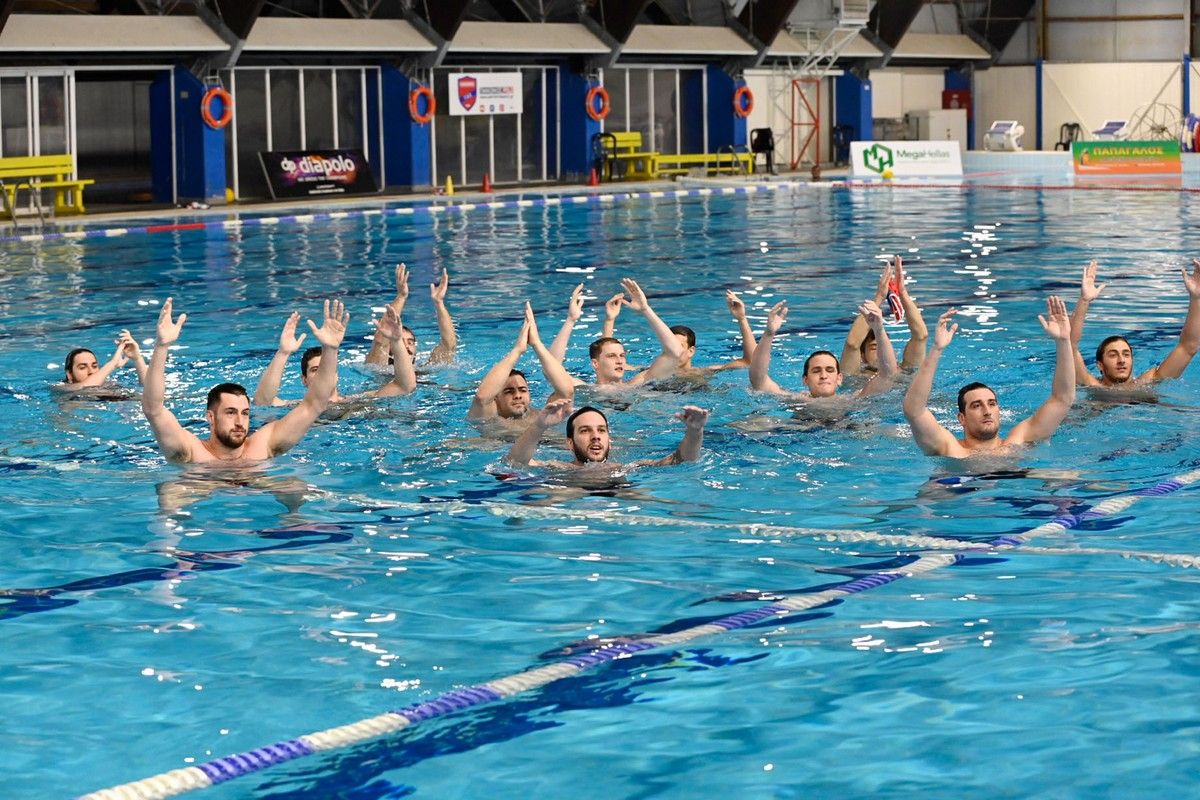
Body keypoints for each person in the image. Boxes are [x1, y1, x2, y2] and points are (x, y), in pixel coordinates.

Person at [141, 297, 348, 464]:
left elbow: (314, 404)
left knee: (294, 486)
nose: (240, 422)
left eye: (245, 413)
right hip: (199, 486)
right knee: (173, 494)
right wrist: (161, 346)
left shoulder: (263, 444)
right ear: (211, 417)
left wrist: (331, 349)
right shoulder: (191, 451)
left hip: (256, 486)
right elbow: (153, 410)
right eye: (230, 412)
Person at [903, 297, 1074, 458]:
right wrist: (936, 349)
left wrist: (1064, 341)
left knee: (1065, 475)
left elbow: (1062, 399)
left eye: (992, 403)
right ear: (962, 418)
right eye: (976, 406)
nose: (987, 411)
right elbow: (914, 410)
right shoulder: (951, 448)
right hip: (960, 480)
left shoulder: (1018, 442)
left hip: (1016, 477)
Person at [1070, 259, 1200, 388]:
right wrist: (1084, 301)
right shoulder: (1092, 385)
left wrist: (1196, 298)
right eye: (1113, 355)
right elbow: (1069, 347)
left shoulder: (1146, 384)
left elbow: (1189, 347)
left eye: (1126, 354)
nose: (1121, 360)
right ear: (1100, 365)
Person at [254, 305, 415, 406]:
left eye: (327, 368)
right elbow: (263, 402)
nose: (323, 373)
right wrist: (283, 353)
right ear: (304, 380)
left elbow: (405, 386)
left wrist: (396, 341)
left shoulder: (357, 401)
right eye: (315, 370)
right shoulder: (297, 407)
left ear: (337, 375)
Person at [751, 299, 898, 400]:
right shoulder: (796, 400)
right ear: (805, 380)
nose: (823, 376)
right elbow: (759, 380)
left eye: (830, 370)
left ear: (839, 378)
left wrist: (879, 329)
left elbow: (888, 374)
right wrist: (768, 334)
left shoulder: (853, 400)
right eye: (816, 371)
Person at [506, 399, 708, 469]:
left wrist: (695, 432)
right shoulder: (558, 468)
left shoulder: (627, 468)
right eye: (585, 430)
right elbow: (516, 462)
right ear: (570, 443)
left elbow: (682, 460)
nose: (595, 436)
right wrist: (539, 426)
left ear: (609, 441)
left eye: (601, 430)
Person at [606, 288, 757, 378]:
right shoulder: (651, 372)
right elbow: (606, 359)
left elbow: (749, 362)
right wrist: (610, 319)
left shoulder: (704, 373)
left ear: (691, 351)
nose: (674, 350)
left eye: (679, 346)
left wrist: (742, 318)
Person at [468, 302, 577, 422]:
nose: (518, 396)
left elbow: (567, 391)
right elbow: (482, 398)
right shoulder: (490, 419)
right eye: (508, 391)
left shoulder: (542, 416)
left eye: (523, 390)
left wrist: (537, 343)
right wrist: (517, 350)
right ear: (496, 399)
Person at [573, 278, 685, 387]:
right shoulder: (581, 387)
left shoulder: (636, 384)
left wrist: (645, 309)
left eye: (622, 356)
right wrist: (570, 319)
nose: (620, 361)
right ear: (595, 364)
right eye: (612, 356)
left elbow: (676, 352)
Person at [840, 256, 928, 374]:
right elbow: (852, 344)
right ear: (863, 357)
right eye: (874, 347)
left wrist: (902, 293)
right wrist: (879, 297)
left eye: (884, 345)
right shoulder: (855, 377)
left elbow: (921, 336)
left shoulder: (905, 372)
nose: (881, 350)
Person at [365, 263, 457, 369]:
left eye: (410, 342)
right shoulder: (378, 368)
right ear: (388, 349)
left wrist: (439, 303)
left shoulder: (424, 370)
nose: (407, 346)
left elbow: (449, 345)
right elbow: (381, 341)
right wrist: (401, 296)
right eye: (401, 341)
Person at [58, 330, 147, 391]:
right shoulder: (62, 389)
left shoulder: (110, 384)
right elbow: (84, 387)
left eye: (94, 366)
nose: (91, 371)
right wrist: (113, 363)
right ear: (69, 374)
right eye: (82, 367)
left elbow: (148, 389)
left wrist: (137, 358)